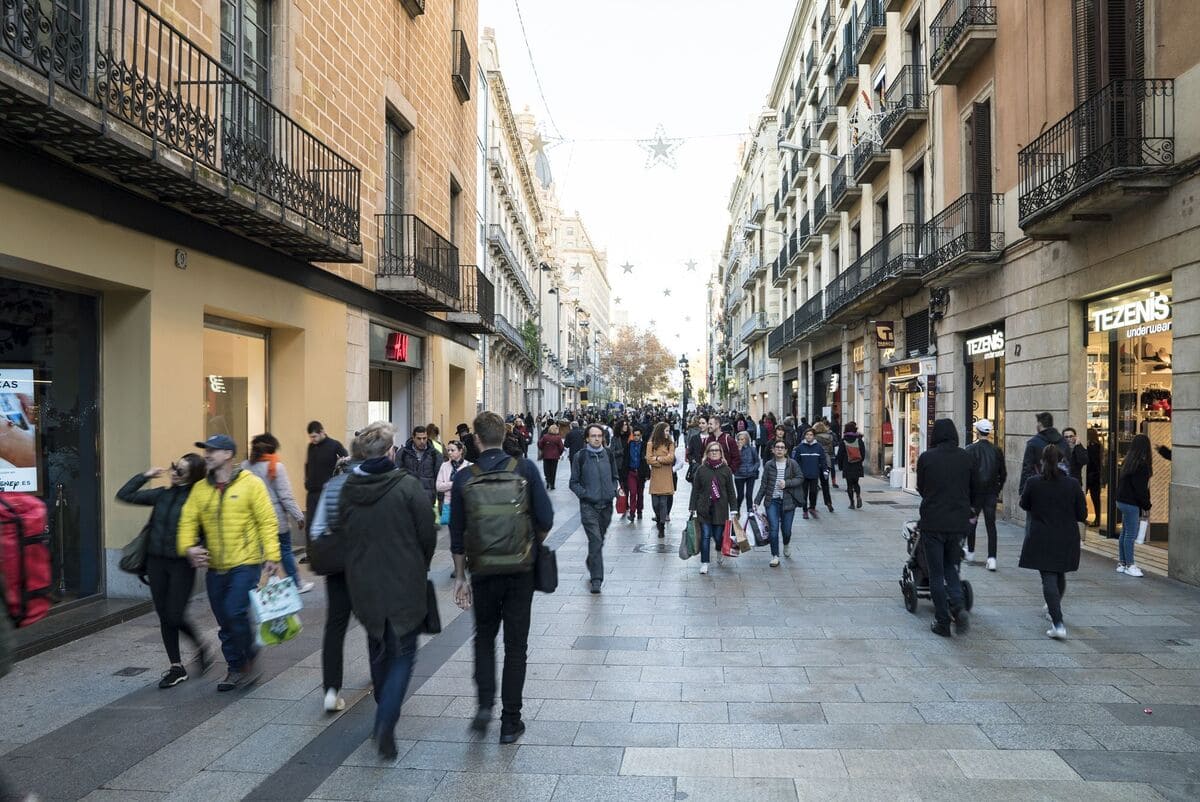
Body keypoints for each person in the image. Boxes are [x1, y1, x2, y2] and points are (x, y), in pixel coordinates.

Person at [451, 411, 553, 745]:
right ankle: (511, 722)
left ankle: (483, 706)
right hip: (520, 572)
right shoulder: (524, 470)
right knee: (516, 646)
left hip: (482, 572)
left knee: (483, 638)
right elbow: (546, 518)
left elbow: (456, 534)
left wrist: (460, 577)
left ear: (476, 441)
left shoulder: (465, 478)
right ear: (504, 437)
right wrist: (529, 542)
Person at [338, 421, 435, 758]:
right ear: (391, 452)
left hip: (364, 584)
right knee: (404, 653)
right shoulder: (406, 486)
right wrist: (418, 565)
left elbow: (342, 534)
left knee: (378, 645)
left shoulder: (349, 488)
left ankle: (382, 702)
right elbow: (427, 533)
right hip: (403, 581)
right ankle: (386, 720)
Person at [177, 434, 281, 692]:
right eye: (206, 450)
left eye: (213, 450)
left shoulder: (251, 484)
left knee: (235, 611)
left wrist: (272, 556)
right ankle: (236, 666)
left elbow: (267, 521)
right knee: (224, 619)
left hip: (245, 563)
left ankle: (246, 658)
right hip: (216, 566)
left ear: (228, 455)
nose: (207, 455)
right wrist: (189, 547)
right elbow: (187, 522)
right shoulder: (201, 489)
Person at [116, 454, 210, 688]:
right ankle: (176, 667)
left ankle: (200, 645)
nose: (175, 472)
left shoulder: (197, 500)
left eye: (182, 470)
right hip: (156, 562)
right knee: (164, 615)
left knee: (175, 615)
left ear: (194, 475)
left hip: (181, 564)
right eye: (174, 467)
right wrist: (144, 476)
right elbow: (124, 495)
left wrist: (201, 549)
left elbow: (208, 531)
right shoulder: (162, 495)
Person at [308, 436, 365, 714]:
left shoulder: (331, 487)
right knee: (376, 623)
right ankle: (380, 675)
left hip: (337, 568)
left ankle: (331, 690)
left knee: (335, 627)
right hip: (367, 565)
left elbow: (317, 530)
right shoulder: (372, 485)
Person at [916, 419, 978, 637]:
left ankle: (943, 621)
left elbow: (921, 487)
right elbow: (974, 489)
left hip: (933, 522)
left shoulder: (926, 457)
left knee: (936, 572)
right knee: (951, 567)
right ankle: (958, 607)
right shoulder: (966, 457)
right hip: (958, 523)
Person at [1019, 444, 1087, 639]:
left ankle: (1058, 622)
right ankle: (1053, 610)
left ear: (1042, 461)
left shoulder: (1034, 482)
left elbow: (1024, 504)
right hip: (1066, 536)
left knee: (1048, 576)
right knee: (1059, 573)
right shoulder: (1072, 484)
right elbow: (1082, 514)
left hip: (1042, 535)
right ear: (1061, 460)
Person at [244, 433, 313, 593]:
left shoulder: (245, 466)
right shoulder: (276, 466)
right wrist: (299, 516)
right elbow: (285, 495)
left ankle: (256, 587)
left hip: (253, 519)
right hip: (276, 518)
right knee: (285, 551)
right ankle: (297, 584)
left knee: (259, 553)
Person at [570, 424, 620, 593]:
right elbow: (573, 482)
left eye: (599, 436)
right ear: (587, 438)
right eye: (593, 436)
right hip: (589, 506)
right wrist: (584, 494)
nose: (597, 439)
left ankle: (592, 560)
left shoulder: (608, 454)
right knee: (596, 540)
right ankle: (596, 579)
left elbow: (615, 476)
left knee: (599, 540)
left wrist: (613, 490)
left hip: (606, 505)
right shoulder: (580, 456)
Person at [689, 441, 737, 575]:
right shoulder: (701, 469)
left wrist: (734, 509)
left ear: (721, 453)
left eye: (717, 450)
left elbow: (731, 491)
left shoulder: (726, 470)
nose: (714, 452)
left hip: (720, 508)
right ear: (707, 453)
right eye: (712, 450)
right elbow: (695, 490)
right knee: (705, 536)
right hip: (704, 508)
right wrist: (692, 507)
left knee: (718, 536)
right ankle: (704, 563)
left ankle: (718, 550)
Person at [964, 419, 1007, 570]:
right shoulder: (997, 451)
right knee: (991, 525)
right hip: (990, 493)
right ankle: (992, 557)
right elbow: (1003, 474)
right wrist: (997, 489)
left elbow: (966, 474)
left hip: (974, 493)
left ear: (978, 432)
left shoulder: (970, 449)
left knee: (971, 522)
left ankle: (970, 551)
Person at [754, 440, 803, 565]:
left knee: (786, 530)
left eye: (782, 447)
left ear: (786, 450)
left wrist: (787, 483)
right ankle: (775, 555)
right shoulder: (769, 465)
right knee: (774, 529)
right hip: (772, 501)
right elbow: (764, 484)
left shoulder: (792, 464)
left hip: (788, 501)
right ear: (773, 450)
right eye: (777, 447)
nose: (780, 449)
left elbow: (800, 478)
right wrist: (757, 501)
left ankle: (786, 544)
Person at [304, 421, 347, 558]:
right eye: (311, 437)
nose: (313, 440)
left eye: (315, 436)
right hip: (312, 491)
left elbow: (346, 460)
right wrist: (306, 480)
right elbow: (307, 465)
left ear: (322, 432)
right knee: (310, 523)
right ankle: (311, 554)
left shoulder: (334, 445)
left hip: (327, 491)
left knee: (327, 524)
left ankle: (326, 553)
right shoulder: (311, 446)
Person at [1115, 433, 1152, 578]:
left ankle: (1122, 563)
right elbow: (1141, 489)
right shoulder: (1142, 465)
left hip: (1121, 500)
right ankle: (1130, 564)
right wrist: (1147, 505)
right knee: (1130, 534)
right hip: (1131, 503)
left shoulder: (1128, 461)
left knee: (1125, 533)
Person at [1020, 412, 1064, 494]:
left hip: (1040, 487)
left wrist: (1023, 490)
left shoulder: (1033, 443)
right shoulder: (1063, 441)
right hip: (1061, 487)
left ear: (1040, 424)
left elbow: (1027, 468)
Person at [399, 425, 443, 504]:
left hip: (427, 499)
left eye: (424, 438)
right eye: (419, 438)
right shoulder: (403, 453)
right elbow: (397, 475)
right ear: (413, 438)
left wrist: (441, 501)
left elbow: (440, 478)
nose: (422, 441)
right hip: (407, 498)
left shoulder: (435, 455)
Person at [647, 422, 676, 538]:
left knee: (663, 503)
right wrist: (660, 462)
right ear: (660, 431)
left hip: (666, 477)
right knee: (655, 504)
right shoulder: (651, 443)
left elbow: (671, 458)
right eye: (666, 431)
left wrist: (657, 458)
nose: (668, 433)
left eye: (669, 431)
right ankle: (658, 519)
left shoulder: (670, 443)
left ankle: (662, 525)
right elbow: (649, 459)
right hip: (655, 477)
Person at [792, 428, 827, 519]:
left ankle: (812, 508)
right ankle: (805, 511)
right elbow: (795, 461)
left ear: (813, 436)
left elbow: (823, 459)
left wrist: (825, 470)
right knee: (804, 494)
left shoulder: (818, 447)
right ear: (804, 436)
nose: (809, 436)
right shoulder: (800, 447)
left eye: (811, 435)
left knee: (813, 492)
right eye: (807, 435)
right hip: (803, 475)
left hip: (814, 474)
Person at [619, 427, 650, 523]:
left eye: (638, 435)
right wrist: (623, 473)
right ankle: (632, 513)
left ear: (640, 436)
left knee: (640, 493)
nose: (636, 437)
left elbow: (647, 460)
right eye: (635, 435)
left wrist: (647, 473)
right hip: (631, 472)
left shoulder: (644, 445)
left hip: (640, 473)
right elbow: (625, 459)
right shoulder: (629, 446)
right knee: (632, 493)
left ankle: (639, 510)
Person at [435, 440, 472, 518]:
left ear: (460, 451)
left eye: (452, 450)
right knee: (448, 527)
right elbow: (438, 486)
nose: (449, 453)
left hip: (464, 504)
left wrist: (447, 485)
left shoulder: (469, 466)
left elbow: (470, 487)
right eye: (448, 450)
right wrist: (455, 483)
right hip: (447, 504)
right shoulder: (444, 466)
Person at [836, 422, 866, 510]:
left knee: (849, 485)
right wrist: (860, 461)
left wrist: (840, 466)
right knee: (856, 483)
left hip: (847, 465)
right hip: (857, 464)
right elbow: (863, 453)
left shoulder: (843, 440)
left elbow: (840, 455)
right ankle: (858, 496)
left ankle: (852, 503)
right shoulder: (859, 440)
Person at [733, 431, 760, 517]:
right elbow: (735, 461)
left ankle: (750, 510)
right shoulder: (735, 450)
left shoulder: (752, 449)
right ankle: (737, 509)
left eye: (742, 439)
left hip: (750, 475)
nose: (740, 441)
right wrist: (739, 450)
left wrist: (753, 469)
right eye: (739, 439)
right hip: (739, 475)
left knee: (749, 494)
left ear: (747, 439)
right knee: (740, 495)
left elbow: (757, 461)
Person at [811, 421, 836, 511]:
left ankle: (812, 505)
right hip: (827, 461)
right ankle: (828, 502)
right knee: (825, 484)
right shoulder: (830, 437)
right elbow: (831, 450)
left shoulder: (814, 438)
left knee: (814, 484)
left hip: (816, 461)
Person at [537, 424, 565, 490]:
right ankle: (552, 484)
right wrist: (559, 453)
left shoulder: (545, 436)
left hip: (546, 456)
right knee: (553, 471)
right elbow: (561, 447)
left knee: (546, 470)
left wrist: (543, 449)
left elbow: (540, 445)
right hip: (555, 457)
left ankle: (548, 481)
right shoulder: (558, 438)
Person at [1085, 428, 1103, 527]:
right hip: (1095, 475)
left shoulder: (1092, 447)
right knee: (1095, 498)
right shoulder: (1098, 446)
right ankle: (1097, 518)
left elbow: (1091, 461)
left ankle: (1095, 519)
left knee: (1093, 498)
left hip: (1091, 475)